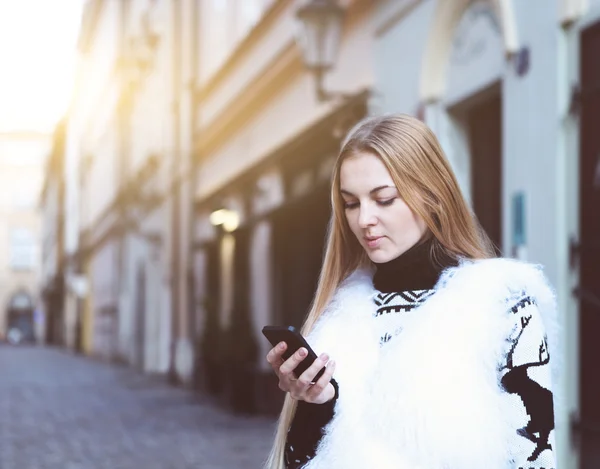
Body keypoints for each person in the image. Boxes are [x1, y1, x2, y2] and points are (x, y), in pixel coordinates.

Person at [264, 114, 558, 469]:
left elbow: (536, 459)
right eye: (352, 203)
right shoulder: (338, 319)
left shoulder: (502, 305)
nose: (363, 220)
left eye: (384, 198)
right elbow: (300, 463)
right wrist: (317, 403)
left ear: (432, 195)